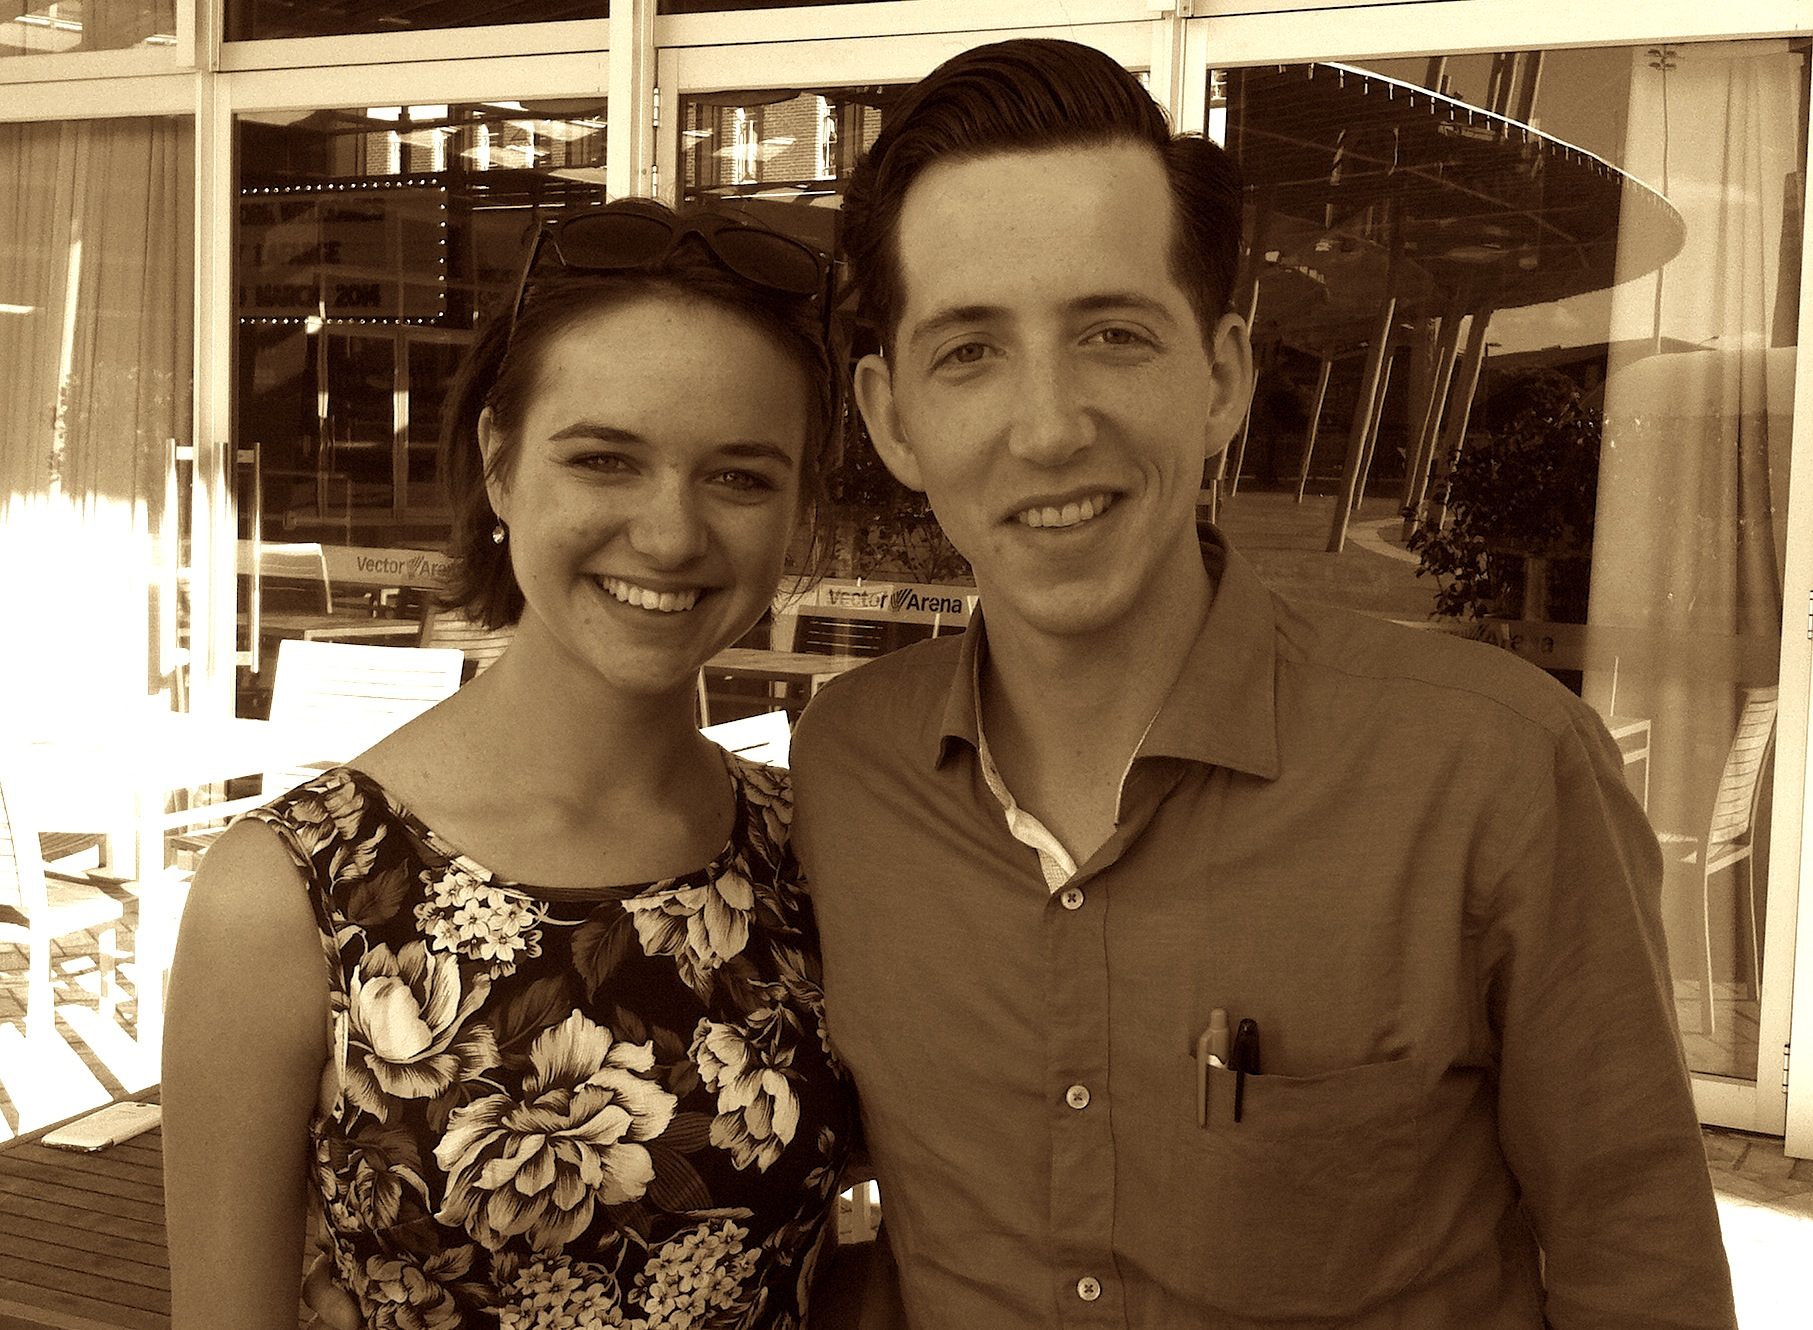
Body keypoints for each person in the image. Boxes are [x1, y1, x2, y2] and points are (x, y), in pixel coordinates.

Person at [789, 37, 1738, 1329]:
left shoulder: (1493, 771)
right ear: (892, 416)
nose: (1049, 425)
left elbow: (1640, 1270)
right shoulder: (846, 768)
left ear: (1223, 378)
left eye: (1112, 334)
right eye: (969, 352)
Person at [163, 198, 861, 1329]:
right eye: (603, 459)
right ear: (498, 465)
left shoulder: (816, 850)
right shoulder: (295, 890)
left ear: (799, 512)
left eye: (740, 476)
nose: (671, 535)